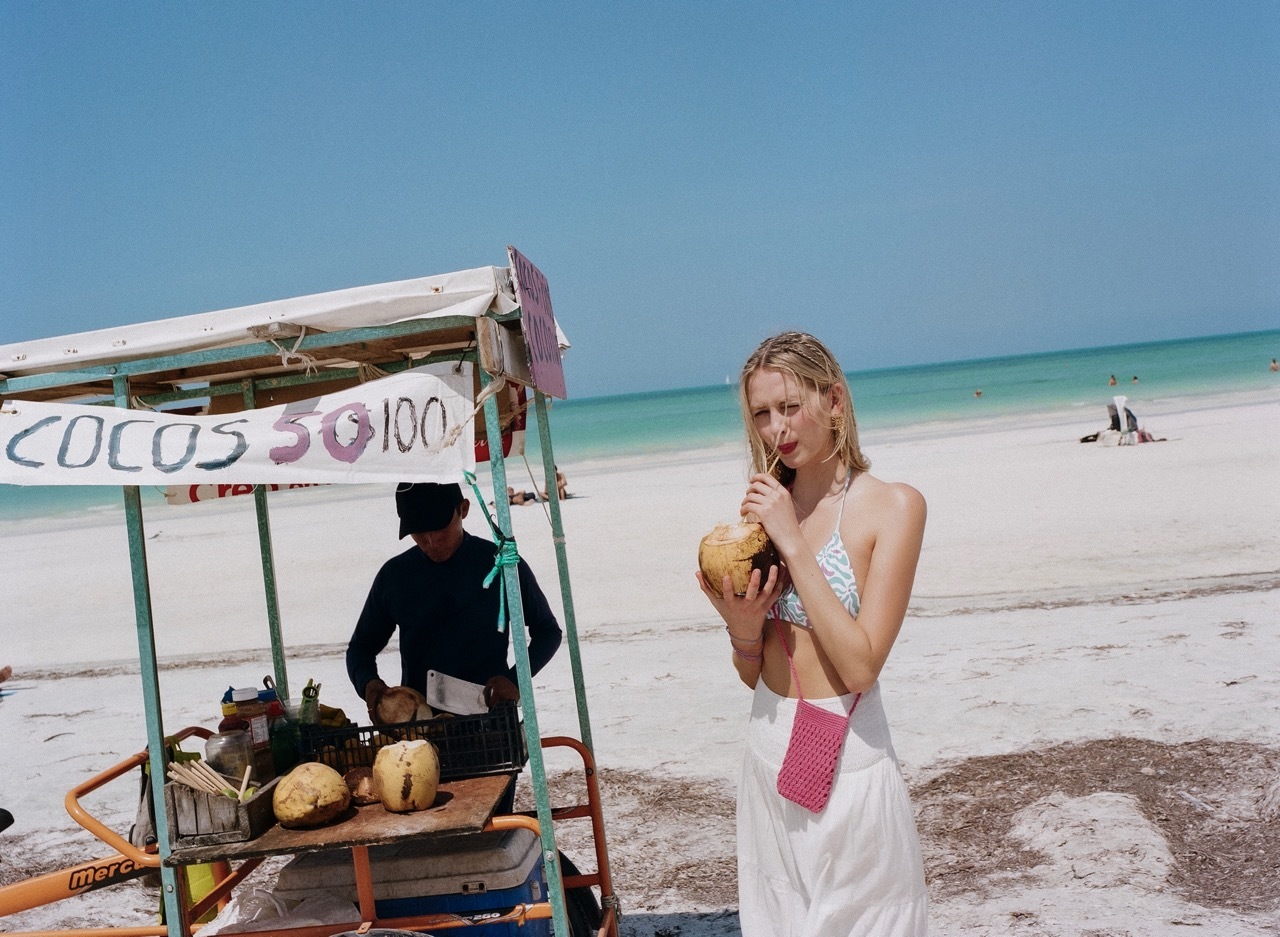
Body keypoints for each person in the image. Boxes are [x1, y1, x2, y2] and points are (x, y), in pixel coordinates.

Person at [697, 331, 928, 936]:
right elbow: (754, 668)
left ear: (835, 400)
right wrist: (743, 628)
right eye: (762, 414)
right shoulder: (761, 514)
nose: (777, 428)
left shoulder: (893, 507)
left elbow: (860, 665)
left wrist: (793, 540)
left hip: (851, 756)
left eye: (791, 406)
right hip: (770, 745)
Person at [347, 482, 562, 720]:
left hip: (490, 719)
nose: (430, 541)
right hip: (419, 724)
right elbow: (360, 648)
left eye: (439, 528)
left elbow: (548, 631)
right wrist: (368, 683)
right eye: (418, 531)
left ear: (464, 509)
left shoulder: (501, 566)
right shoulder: (394, 576)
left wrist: (515, 680)